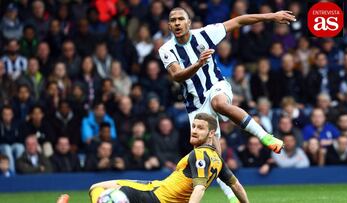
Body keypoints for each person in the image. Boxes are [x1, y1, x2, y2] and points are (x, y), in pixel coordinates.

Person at [158, 7, 294, 201]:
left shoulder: (204, 34)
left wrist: (271, 16)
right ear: (170, 26)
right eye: (173, 20)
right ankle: (233, 198)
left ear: (189, 23)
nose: (177, 23)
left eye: (181, 19)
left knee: (218, 103)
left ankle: (265, 137)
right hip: (195, 104)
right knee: (213, 158)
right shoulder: (166, 49)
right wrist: (198, 64)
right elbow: (177, 75)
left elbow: (238, 21)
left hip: (216, 86)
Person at [84, 113, 248, 203]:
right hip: (157, 189)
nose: (195, 130)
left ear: (211, 134)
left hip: (154, 196)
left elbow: (199, 188)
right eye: (194, 126)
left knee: (96, 188)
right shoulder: (217, 161)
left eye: (200, 128)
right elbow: (237, 186)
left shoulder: (199, 154)